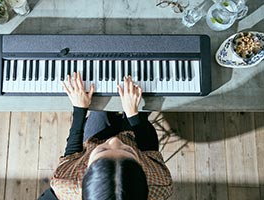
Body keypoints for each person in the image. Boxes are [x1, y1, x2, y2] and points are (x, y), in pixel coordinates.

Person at [38, 72, 173, 200]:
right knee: (142, 99)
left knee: (99, 107)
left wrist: (79, 109)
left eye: (103, 151)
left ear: (85, 174)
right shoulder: (160, 185)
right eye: (127, 151)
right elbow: (149, 151)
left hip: (95, 141)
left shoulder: (65, 184)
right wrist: (133, 115)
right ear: (142, 174)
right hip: (138, 143)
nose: (114, 140)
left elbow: (72, 155)